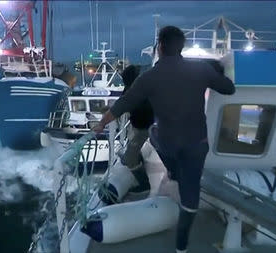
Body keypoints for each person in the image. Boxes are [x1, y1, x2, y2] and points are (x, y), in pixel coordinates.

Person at [93, 25, 235, 253]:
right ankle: (181, 247)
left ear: (159, 47)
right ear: (181, 48)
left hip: (168, 143)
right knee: (190, 202)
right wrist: (223, 71)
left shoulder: (149, 77)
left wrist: (101, 123)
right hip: (196, 146)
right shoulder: (200, 70)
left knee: (153, 133)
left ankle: (173, 171)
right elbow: (229, 89)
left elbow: (123, 104)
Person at [120, 65, 155, 168]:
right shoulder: (135, 88)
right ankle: (136, 160)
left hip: (144, 126)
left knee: (130, 155)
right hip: (141, 124)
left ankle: (142, 180)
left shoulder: (133, 90)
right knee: (134, 147)